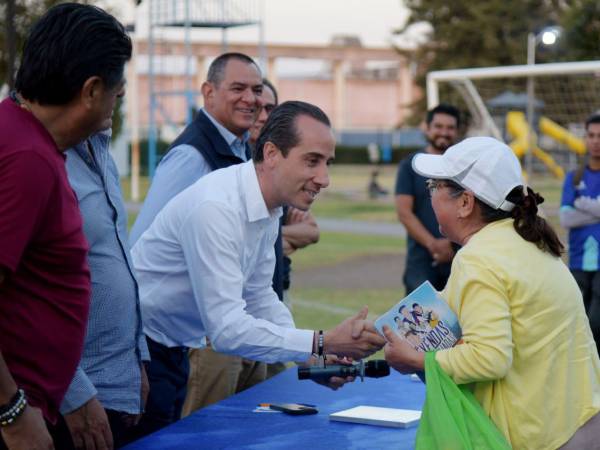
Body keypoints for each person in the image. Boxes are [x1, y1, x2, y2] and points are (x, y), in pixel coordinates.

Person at [132, 101, 385, 436]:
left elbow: (258, 295)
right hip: (138, 352)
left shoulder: (268, 204)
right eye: (312, 161)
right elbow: (227, 331)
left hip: (169, 347)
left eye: (327, 163)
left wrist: (310, 358)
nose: (324, 178)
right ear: (271, 153)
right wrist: (322, 342)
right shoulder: (216, 208)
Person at [383, 136, 600, 449]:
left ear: (465, 202)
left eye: (435, 187)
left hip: (541, 434)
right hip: (577, 417)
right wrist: (377, 334)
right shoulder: (523, 239)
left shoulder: (478, 258)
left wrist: (418, 361)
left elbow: (490, 359)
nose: (430, 196)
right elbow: (461, 308)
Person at [0, 4, 131, 449]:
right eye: (118, 94)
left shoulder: (25, 140)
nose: (117, 105)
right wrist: (13, 413)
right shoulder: (27, 158)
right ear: (92, 90)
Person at [64, 131, 149, 449]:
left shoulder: (101, 152)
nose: (119, 95)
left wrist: (137, 357)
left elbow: (121, 258)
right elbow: (26, 300)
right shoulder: (35, 159)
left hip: (114, 388)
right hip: (71, 399)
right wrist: (74, 393)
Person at [129, 52, 263, 245]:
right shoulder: (190, 157)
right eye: (238, 88)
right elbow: (143, 242)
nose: (250, 99)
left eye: (257, 90)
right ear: (209, 93)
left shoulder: (242, 147)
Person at [395, 104, 460, 294]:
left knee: (460, 320)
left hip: (460, 257)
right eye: (438, 126)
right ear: (427, 128)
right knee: (420, 320)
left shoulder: (463, 166)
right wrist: (434, 244)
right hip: (422, 259)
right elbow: (404, 212)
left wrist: (451, 245)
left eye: (450, 128)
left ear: (457, 131)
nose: (444, 132)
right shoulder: (410, 165)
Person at [560, 113, 600, 355]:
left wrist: (582, 204)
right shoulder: (573, 177)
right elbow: (565, 218)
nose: (596, 141)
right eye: (592, 135)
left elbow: (575, 212)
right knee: (577, 323)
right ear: (585, 138)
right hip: (577, 261)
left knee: (596, 324)